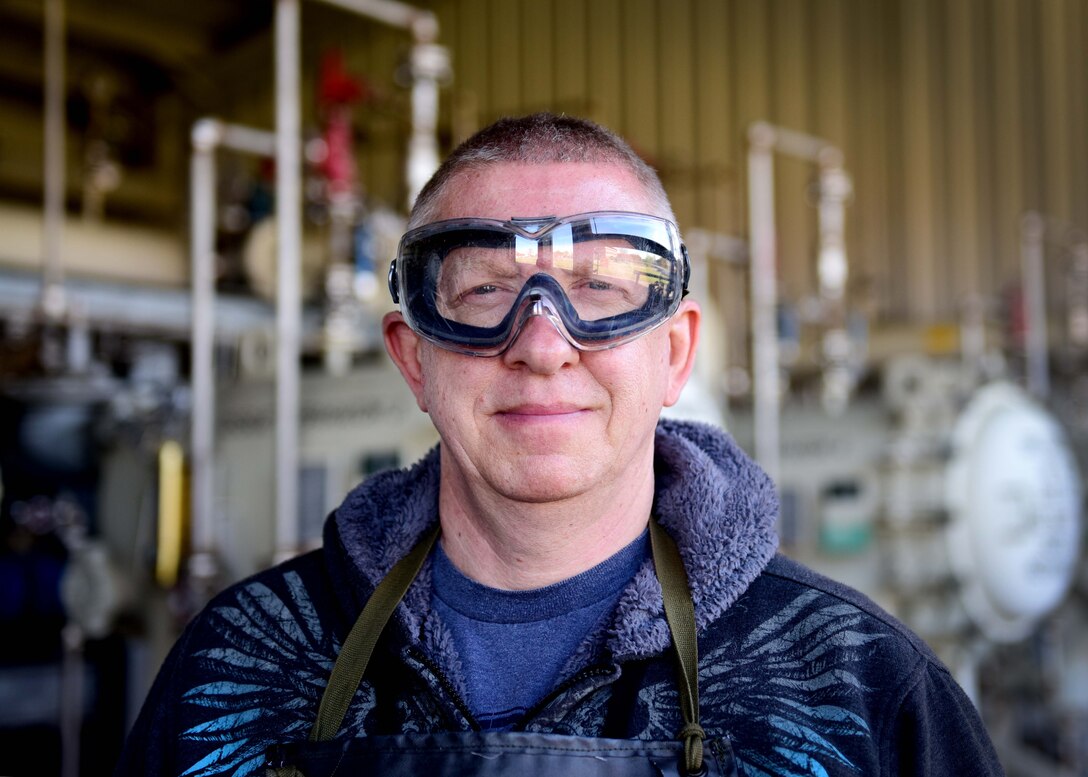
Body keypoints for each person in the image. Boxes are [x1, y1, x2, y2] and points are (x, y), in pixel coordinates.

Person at [116, 113, 1004, 776]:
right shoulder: (232, 667)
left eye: (603, 289)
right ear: (411, 358)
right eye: (483, 290)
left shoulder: (869, 692)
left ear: (677, 353)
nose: (542, 344)